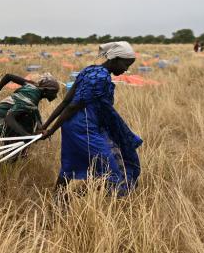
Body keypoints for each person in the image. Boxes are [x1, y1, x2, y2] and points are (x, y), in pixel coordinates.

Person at [41, 41, 142, 196]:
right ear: (114, 59)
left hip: (72, 125)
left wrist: (47, 126)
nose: (126, 69)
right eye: (126, 64)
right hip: (85, 126)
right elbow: (73, 105)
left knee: (70, 164)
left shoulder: (89, 70)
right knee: (112, 172)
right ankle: (72, 196)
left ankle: (57, 199)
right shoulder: (100, 78)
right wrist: (51, 130)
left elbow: (66, 101)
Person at [0, 73, 59, 155]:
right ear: (46, 91)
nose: (55, 96)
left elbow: (8, 76)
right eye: (54, 92)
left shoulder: (32, 86)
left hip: (7, 111)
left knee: (27, 122)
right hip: (0, 115)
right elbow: (9, 118)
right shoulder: (32, 97)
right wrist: (26, 136)